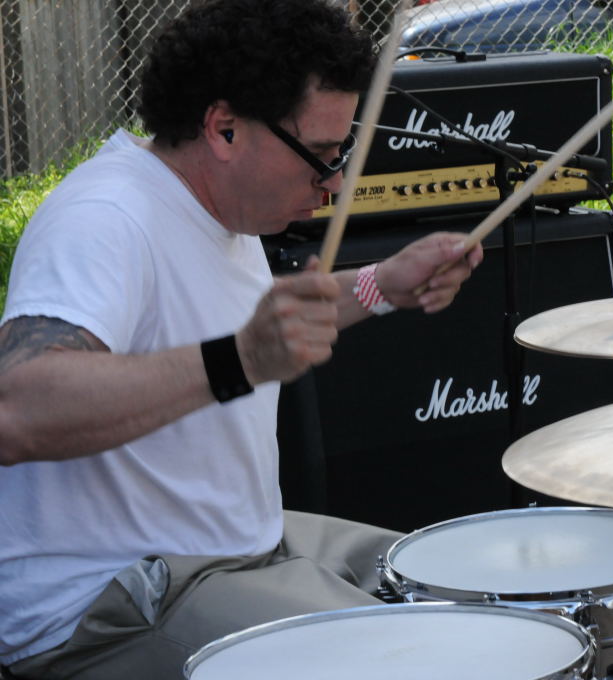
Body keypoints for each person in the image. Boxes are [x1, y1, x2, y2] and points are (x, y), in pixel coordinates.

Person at [0, 0, 483, 678]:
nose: (334, 181)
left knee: (473, 593)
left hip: (236, 549)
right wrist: (241, 359)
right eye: (319, 156)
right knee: (423, 661)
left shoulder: (218, 210)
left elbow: (249, 321)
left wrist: (382, 284)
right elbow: (17, 409)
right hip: (102, 610)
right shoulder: (103, 218)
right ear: (224, 129)